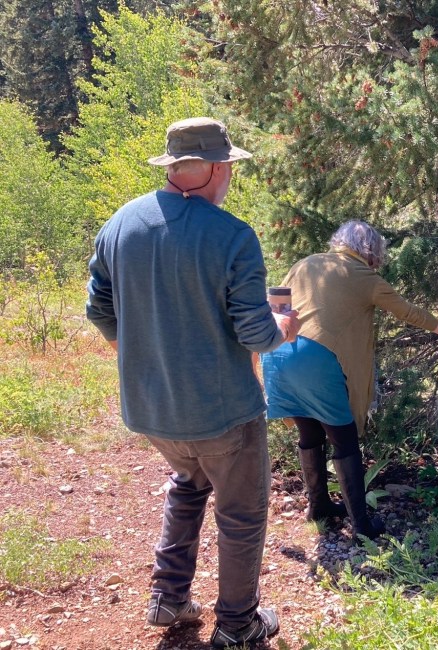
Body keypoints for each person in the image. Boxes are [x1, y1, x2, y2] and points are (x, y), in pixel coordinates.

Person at [85, 117, 298, 648]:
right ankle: (238, 625)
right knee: (242, 514)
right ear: (218, 169)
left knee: (189, 481)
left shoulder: (120, 224)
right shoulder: (232, 236)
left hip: (152, 411)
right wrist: (284, 328)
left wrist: (144, 355)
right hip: (223, 413)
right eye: (229, 168)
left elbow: (99, 309)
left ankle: (169, 598)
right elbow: (255, 332)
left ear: (173, 166)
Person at [260, 220, 438, 538]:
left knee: (309, 432)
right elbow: (410, 312)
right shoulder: (365, 276)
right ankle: (361, 527)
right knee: (344, 441)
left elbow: (277, 304)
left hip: (278, 352)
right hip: (315, 360)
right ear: (371, 252)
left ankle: (319, 507)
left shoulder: (305, 263)